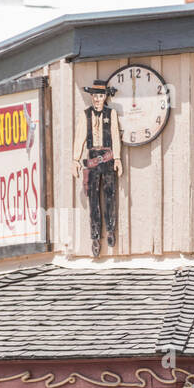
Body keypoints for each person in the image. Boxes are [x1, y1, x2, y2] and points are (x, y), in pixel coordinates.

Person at [73, 79, 123, 256]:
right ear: (91, 97)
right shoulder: (85, 115)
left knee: (110, 195)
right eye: (95, 96)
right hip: (93, 158)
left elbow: (115, 136)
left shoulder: (112, 114)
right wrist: (75, 160)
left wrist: (117, 158)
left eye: (100, 95)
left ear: (105, 97)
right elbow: (80, 137)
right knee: (93, 198)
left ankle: (110, 230)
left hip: (108, 156)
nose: (97, 99)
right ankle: (95, 236)